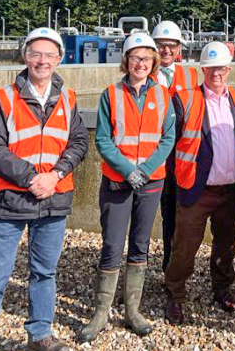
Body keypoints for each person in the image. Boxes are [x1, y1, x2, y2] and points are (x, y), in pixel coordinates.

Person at [0, 28, 89, 351]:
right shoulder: (2, 98)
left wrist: (56, 174)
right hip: (11, 199)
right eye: (36, 54)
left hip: (54, 198)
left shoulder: (69, 99)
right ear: (25, 56)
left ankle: (40, 334)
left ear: (59, 59)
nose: (42, 61)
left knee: (44, 272)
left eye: (49, 55)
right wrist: (32, 177)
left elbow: (78, 142)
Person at [80, 33, 175, 342]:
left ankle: (132, 311)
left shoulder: (163, 95)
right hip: (117, 183)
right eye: (135, 57)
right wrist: (127, 170)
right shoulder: (111, 94)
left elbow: (167, 139)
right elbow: (103, 139)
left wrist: (144, 171)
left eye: (146, 58)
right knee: (111, 244)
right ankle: (101, 312)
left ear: (153, 62)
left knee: (140, 244)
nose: (140, 63)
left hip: (150, 183)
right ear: (126, 61)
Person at [164, 41, 235, 323]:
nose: (217, 73)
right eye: (211, 68)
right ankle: (175, 294)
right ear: (203, 69)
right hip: (196, 190)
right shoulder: (186, 99)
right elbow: (170, 143)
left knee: (226, 244)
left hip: (231, 188)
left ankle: (222, 288)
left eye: (222, 68)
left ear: (228, 69)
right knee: (185, 246)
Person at [151, 20, 198, 271]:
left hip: (180, 158)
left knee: (176, 216)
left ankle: (172, 268)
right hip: (152, 157)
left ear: (179, 48)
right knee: (146, 217)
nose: (166, 51)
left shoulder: (190, 74)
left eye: (171, 45)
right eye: (161, 45)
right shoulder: (143, 73)